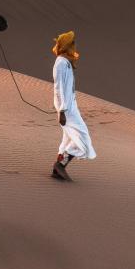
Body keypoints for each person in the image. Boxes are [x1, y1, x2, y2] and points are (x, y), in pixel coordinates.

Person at [51, 30, 95, 181]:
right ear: (66, 45)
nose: (74, 46)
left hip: (71, 107)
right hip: (66, 109)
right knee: (83, 138)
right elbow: (58, 88)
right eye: (72, 43)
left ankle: (57, 168)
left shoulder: (65, 62)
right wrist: (61, 110)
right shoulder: (60, 63)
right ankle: (60, 165)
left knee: (68, 138)